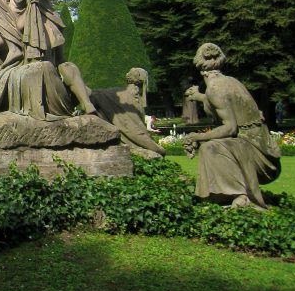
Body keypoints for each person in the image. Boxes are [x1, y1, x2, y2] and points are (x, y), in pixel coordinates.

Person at [182, 43, 281, 210]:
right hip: (265, 148)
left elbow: (230, 128)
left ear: (199, 68)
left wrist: (197, 137)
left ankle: (239, 195)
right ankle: (226, 195)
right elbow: (222, 103)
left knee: (210, 148)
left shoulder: (214, 89)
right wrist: (199, 96)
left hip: (256, 154)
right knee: (213, 145)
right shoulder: (230, 81)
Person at [0, 23, 95, 123]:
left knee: (53, 67)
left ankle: (82, 100)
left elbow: (13, 35)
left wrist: (31, 12)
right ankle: (74, 97)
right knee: (44, 68)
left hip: (7, 83)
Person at [90, 67, 166, 158]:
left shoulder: (116, 94)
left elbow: (94, 95)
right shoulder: (124, 96)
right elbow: (136, 129)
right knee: (155, 151)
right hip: (134, 139)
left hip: (130, 140)